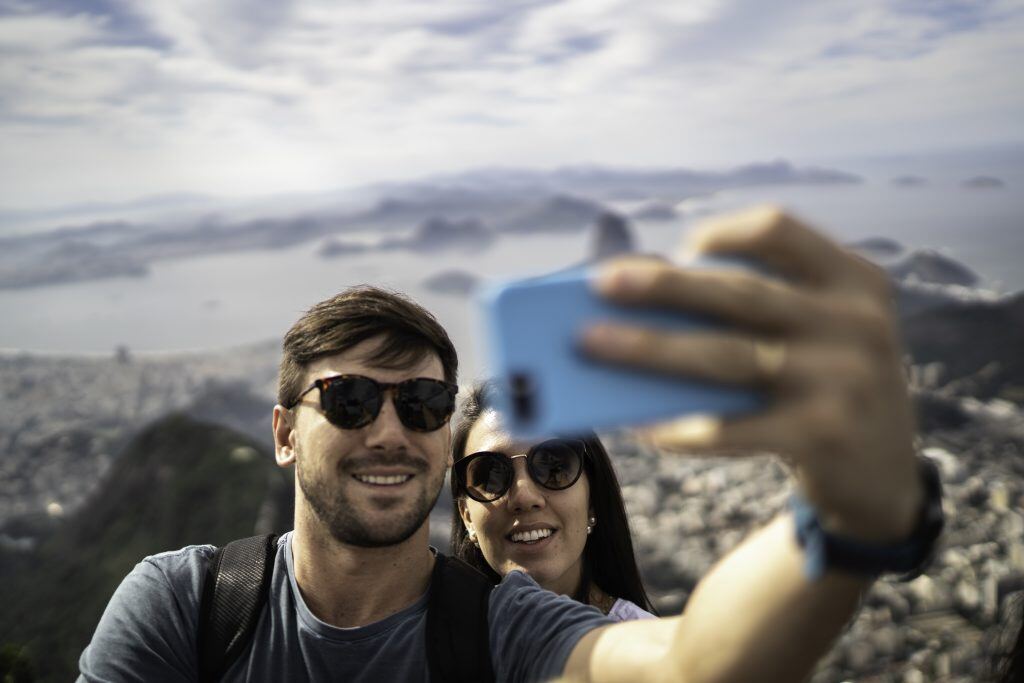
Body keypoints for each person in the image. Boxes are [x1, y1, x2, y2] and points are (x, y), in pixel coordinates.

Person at [78, 206, 940, 682]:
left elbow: (688, 663)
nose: (390, 431)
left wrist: (846, 515)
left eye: (422, 403)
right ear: (283, 433)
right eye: (347, 400)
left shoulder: (504, 628)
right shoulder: (185, 606)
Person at [449, 382, 656, 620]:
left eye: (553, 467)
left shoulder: (656, 652)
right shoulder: (426, 651)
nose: (524, 497)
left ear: (592, 499)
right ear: (467, 517)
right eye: (490, 475)